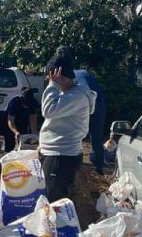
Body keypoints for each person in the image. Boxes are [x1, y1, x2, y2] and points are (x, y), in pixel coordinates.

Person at [39, 55, 96, 202]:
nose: (47, 81)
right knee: (51, 198)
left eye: (49, 77)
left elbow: (49, 110)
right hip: (57, 153)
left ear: (60, 76)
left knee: (54, 202)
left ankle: (57, 225)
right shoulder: (69, 95)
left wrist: (53, 85)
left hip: (61, 156)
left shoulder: (76, 97)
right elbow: (55, 121)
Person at [55, 46, 108, 174]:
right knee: (96, 137)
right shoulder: (83, 72)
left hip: (87, 103)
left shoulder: (64, 77)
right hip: (97, 103)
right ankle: (98, 167)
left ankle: (80, 167)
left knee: (75, 136)